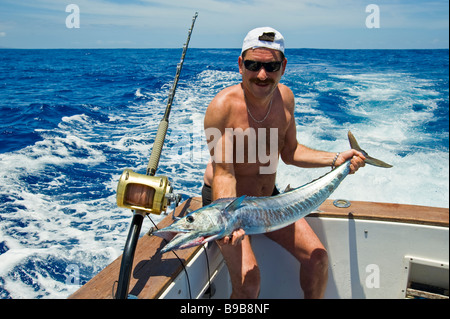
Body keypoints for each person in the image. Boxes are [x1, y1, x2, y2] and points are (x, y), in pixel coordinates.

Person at [201, 27, 365, 299]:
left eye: (271, 66)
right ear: (241, 65)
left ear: (283, 67)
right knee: (249, 282)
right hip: (228, 206)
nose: (262, 75)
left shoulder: (286, 99)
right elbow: (224, 174)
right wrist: (229, 222)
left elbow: (290, 152)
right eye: (253, 65)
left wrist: (336, 159)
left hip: (270, 202)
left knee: (317, 260)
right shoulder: (221, 108)